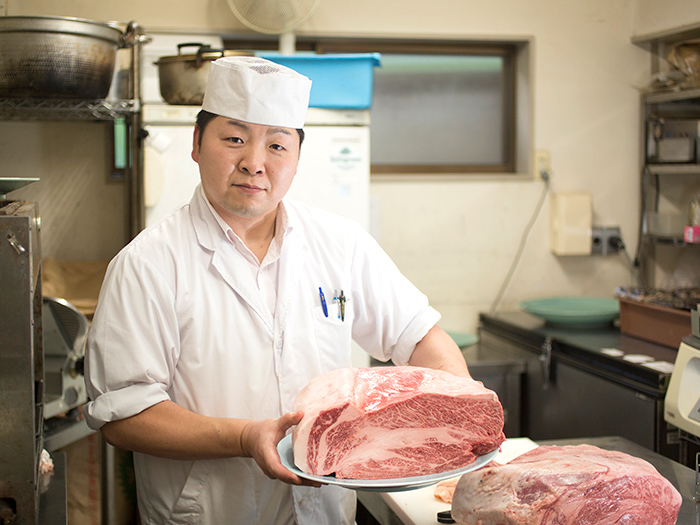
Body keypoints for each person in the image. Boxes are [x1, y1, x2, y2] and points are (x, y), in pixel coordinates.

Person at [84, 56, 470, 525]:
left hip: (325, 515)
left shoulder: (339, 244)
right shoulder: (146, 264)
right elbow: (125, 417)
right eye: (235, 139)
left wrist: (461, 414)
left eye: (278, 145)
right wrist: (246, 437)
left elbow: (421, 338)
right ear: (196, 143)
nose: (254, 163)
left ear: (297, 157)